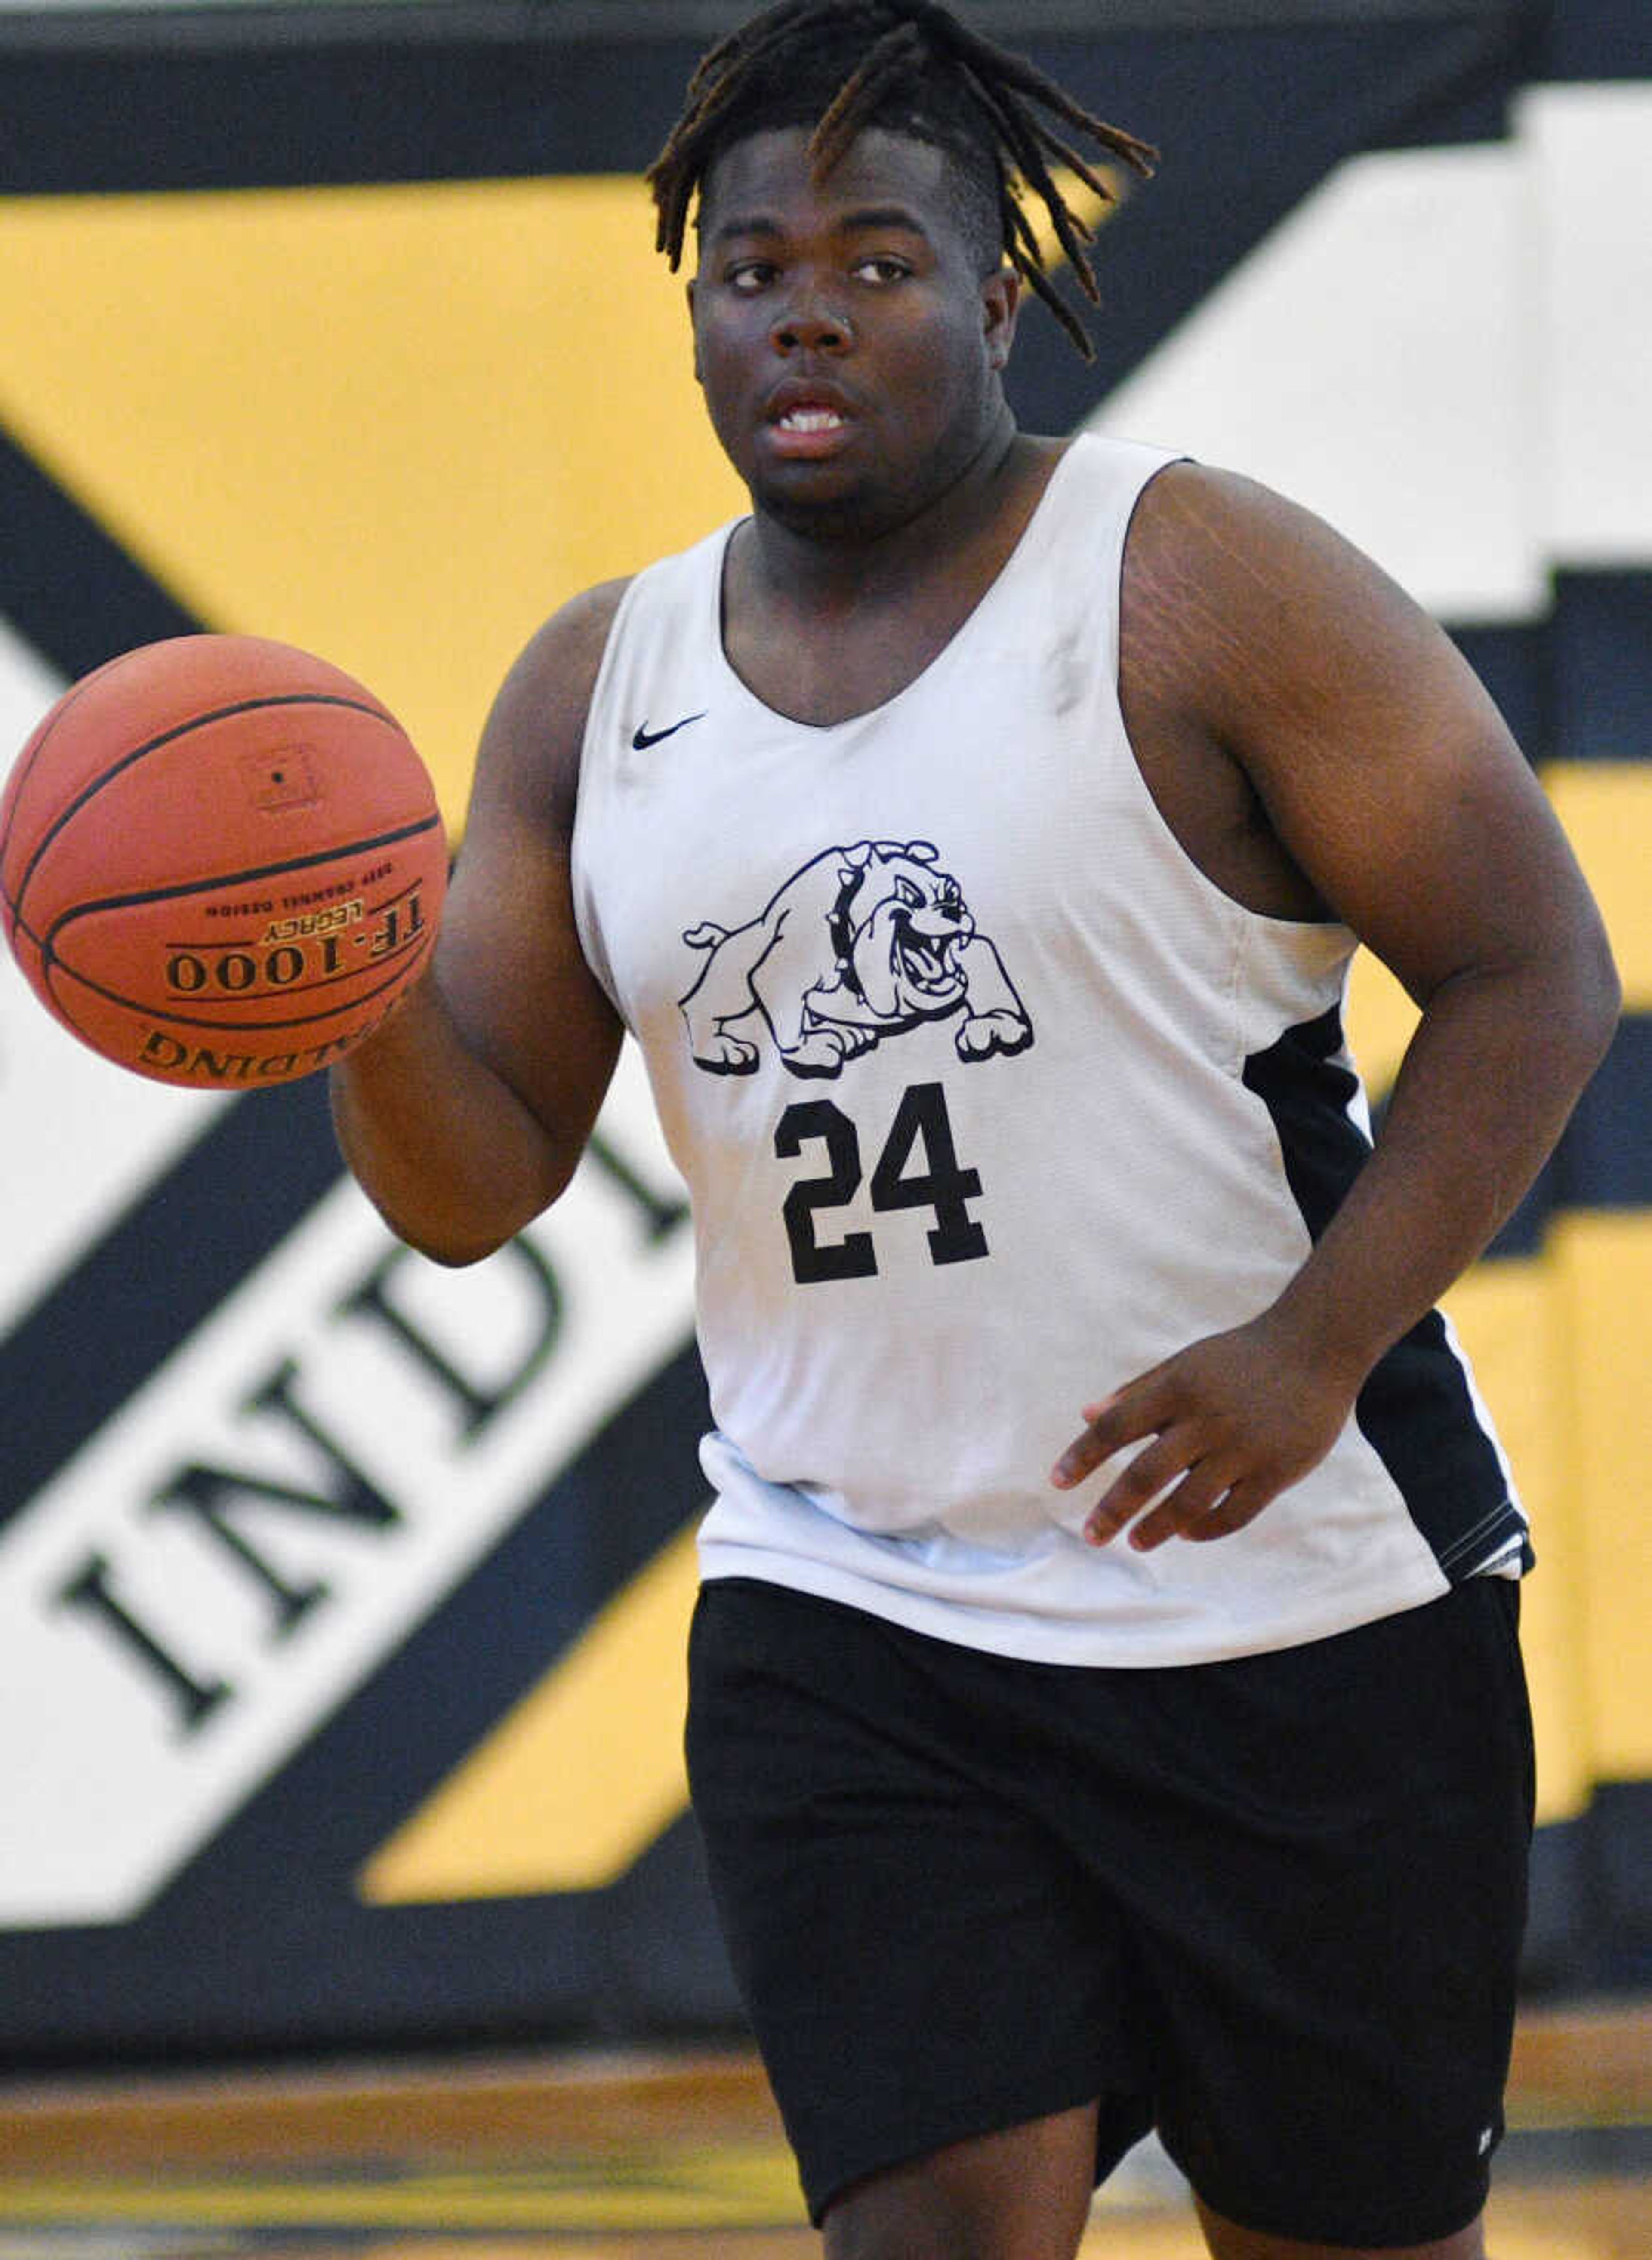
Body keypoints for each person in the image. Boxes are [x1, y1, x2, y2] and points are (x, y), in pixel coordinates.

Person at [329, 4, 1620, 2254]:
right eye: (750, 270)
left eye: (879, 260)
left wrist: (1316, 1343)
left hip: (1291, 1613)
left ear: (1000, 292)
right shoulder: (596, 687)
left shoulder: (1197, 578)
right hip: (858, 1609)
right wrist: (330, 1005)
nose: (805, 309)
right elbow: (473, 1188)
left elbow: (1538, 975)